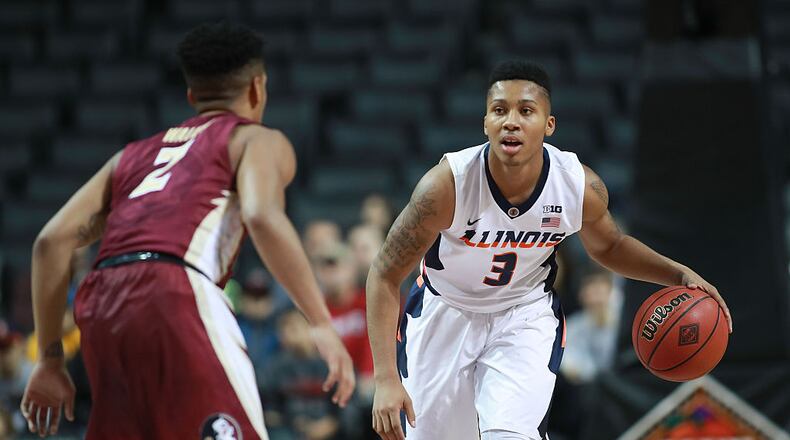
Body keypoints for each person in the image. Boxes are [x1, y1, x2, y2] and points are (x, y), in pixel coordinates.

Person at [366, 60, 732, 440]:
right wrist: (385, 378)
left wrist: (678, 275)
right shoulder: (446, 186)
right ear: (485, 124)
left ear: (549, 125)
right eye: (499, 110)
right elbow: (384, 274)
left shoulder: (576, 185)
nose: (511, 121)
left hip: (523, 316)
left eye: (526, 111)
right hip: (445, 312)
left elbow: (610, 246)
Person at [20, 22, 354, 439]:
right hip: (175, 288)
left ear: (192, 96)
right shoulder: (255, 140)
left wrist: (49, 360)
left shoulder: (131, 156)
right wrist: (320, 322)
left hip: (101, 300)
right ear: (257, 88)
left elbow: (50, 241)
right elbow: (262, 214)